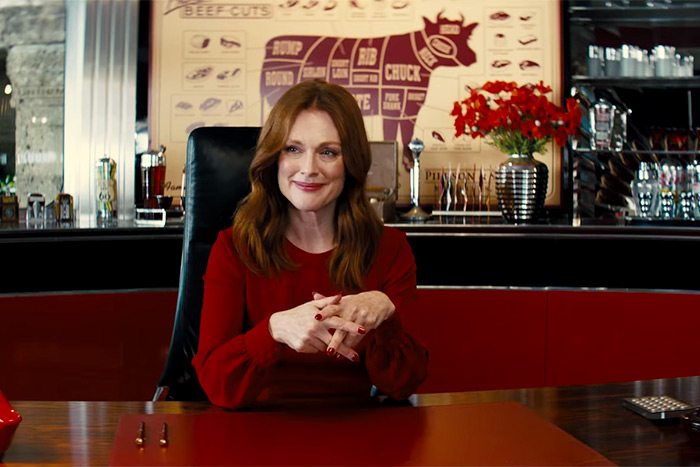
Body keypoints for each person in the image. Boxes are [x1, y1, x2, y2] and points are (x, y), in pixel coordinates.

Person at [192, 79, 428, 409]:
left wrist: (386, 314)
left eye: (328, 152)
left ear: (351, 163)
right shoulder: (234, 248)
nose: (308, 169)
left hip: (357, 428)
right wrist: (273, 331)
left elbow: (404, 384)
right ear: (274, 158)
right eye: (293, 149)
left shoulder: (389, 248)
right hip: (259, 428)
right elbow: (217, 386)